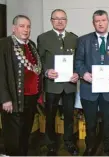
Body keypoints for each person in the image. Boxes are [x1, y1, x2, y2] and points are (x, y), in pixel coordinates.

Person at [75, 10, 109, 156]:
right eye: (97, 21)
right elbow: (78, 62)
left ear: (108, 21)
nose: (100, 23)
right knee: (90, 122)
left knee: (108, 121)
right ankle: (90, 147)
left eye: (103, 20)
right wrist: (84, 74)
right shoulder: (83, 40)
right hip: (89, 88)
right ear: (93, 23)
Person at [37, 9, 79, 155]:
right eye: (56, 18)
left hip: (69, 84)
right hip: (52, 84)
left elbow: (78, 61)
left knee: (69, 115)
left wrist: (77, 73)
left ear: (66, 21)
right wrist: (47, 71)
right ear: (51, 21)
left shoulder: (74, 38)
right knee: (50, 115)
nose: (60, 21)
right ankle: (50, 142)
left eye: (63, 19)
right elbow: (39, 60)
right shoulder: (43, 38)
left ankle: (69, 142)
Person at [0, 15, 42, 156]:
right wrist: (5, 98)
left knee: (25, 133)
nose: (26, 29)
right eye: (22, 26)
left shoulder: (31, 45)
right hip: (13, 98)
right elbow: (1, 73)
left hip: (30, 98)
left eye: (28, 26)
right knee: (13, 135)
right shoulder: (4, 44)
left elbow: (36, 69)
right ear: (14, 28)